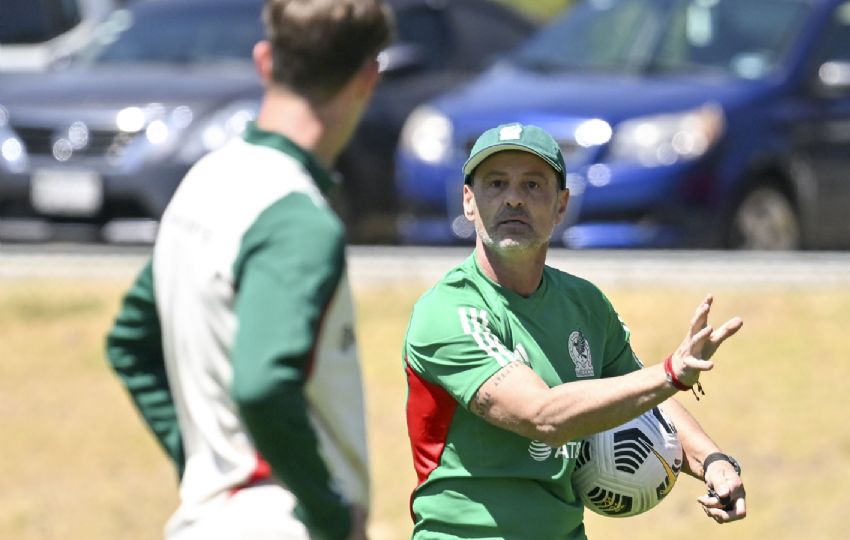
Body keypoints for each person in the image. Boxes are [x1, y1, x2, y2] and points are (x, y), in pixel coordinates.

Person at [104, 1, 393, 539]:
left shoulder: (201, 185)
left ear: (265, 61)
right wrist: (328, 513)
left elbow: (130, 344)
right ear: (367, 78)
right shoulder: (297, 219)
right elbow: (263, 383)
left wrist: (204, 461)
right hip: (282, 524)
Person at [402, 123, 748, 538]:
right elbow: (541, 415)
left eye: (532, 185)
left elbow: (641, 394)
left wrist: (713, 461)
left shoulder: (584, 304)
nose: (513, 198)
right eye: (496, 183)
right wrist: (670, 374)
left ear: (561, 204)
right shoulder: (448, 311)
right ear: (469, 201)